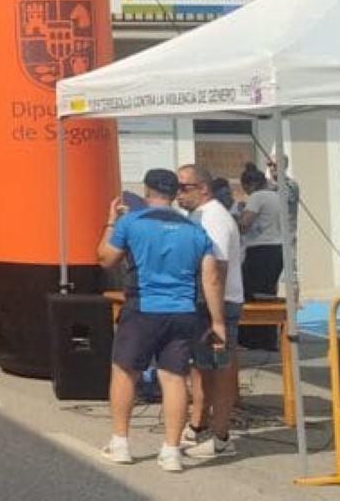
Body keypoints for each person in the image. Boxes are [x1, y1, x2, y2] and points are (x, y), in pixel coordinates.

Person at [98, 168, 226, 473]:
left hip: (143, 307)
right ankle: (171, 450)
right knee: (174, 378)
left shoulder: (131, 222)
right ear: (174, 194)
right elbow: (211, 278)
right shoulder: (195, 229)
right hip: (183, 312)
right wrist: (218, 321)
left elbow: (105, 259)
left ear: (147, 191)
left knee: (125, 372)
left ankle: (120, 443)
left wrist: (111, 221)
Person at [177, 164, 242, 460]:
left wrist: (217, 319)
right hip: (202, 303)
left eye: (184, 187)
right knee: (201, 366)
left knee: (220, 369)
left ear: (203, 188)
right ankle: (199, 423)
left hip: (217, 302)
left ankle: (221, 435)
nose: (179, 193)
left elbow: (216, 269)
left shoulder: (214, 218)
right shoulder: (197, 216)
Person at [235, 162, 285, 349]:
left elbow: (245, 223)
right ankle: (268, 339)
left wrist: (236, 218)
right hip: (277, 248)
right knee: (268, 294)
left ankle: (250, 338)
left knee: (250, 294)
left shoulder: (256, 197)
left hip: (260, 249)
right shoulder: (276, 196)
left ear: (247, 185)